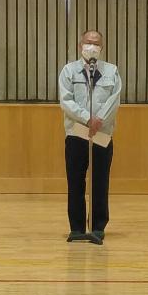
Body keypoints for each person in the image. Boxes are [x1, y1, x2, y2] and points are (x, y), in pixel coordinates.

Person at [59, 29, 121, 242]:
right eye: (88, 42)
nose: (92, 46)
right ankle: (76, 228)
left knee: (100, 182)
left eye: (96, 43)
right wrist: (87, 118)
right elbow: (66, 100)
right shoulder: (69, 71)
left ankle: (97, 226)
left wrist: (99, 120)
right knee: (75, 181)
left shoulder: (111, 71)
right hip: (76, 134)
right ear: (80, 46)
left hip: (102, 134)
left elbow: (115, 99)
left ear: (101, 48)